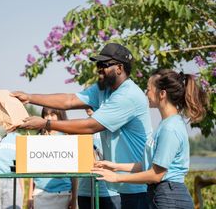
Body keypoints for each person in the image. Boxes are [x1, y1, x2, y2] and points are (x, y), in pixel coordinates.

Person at [13, 43, 152, 209]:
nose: (99, 69)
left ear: (120, 68)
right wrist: (29, 97)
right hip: (121, 184)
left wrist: (46, 123)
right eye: (97, 65)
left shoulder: (128, 95)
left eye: (104, 65)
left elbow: (91, 126)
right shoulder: (103, 89)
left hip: (138, 186)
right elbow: (69, 100)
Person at [91, 69, 207, 209]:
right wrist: (115, 166)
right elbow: (150, 165)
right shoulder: (166, 124)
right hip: (162, 194)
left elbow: (156, 174)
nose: (146, 94)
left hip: (169, 197)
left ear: (162, 94)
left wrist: (117, 177)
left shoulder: (170, 128)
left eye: (148, 89)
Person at [27, 107, 77, 209]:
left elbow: (74, 174)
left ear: (60, 117)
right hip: (40, 192)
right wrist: (30, 197)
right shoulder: (36, 140)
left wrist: (74, 198)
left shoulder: (67, 139)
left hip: (63, 193)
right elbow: (31, 171)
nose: (48, 118)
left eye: (53, 115)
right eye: (46, 115)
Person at [78, 110, 120, 209]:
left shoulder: (114, 127)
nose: (88, 107)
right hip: (85, 192)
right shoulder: (80, 128)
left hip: (110, 193)